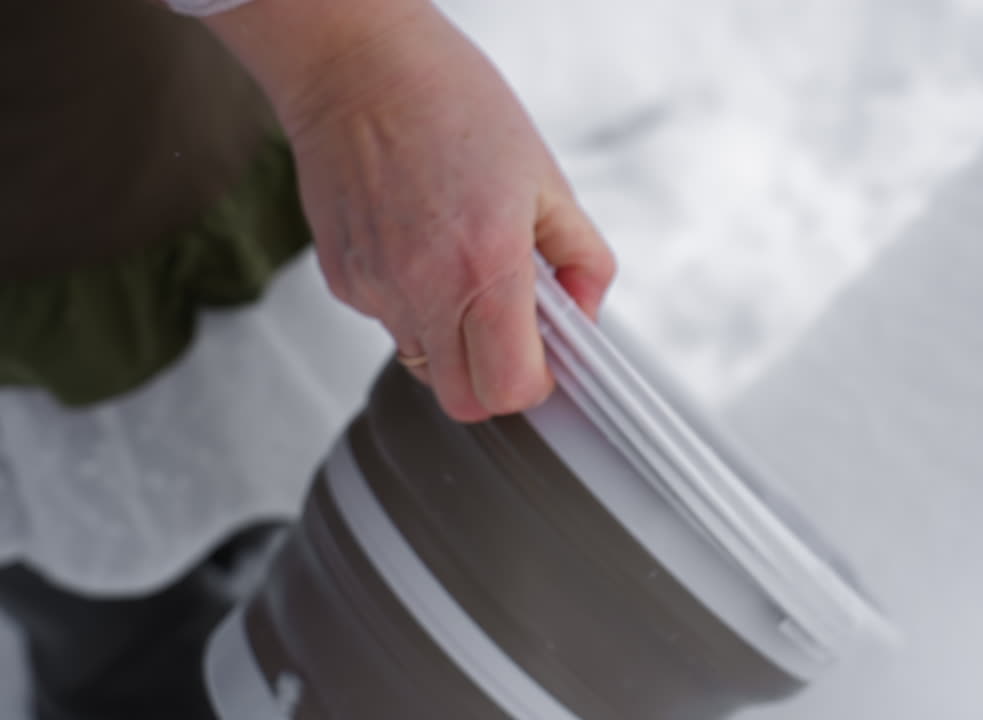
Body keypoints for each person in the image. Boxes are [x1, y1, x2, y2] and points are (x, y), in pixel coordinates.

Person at [0, 0, 615, 717]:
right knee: (98, 602)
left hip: (159, 110)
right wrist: (362, 66)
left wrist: (348, 64)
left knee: (280, 483)